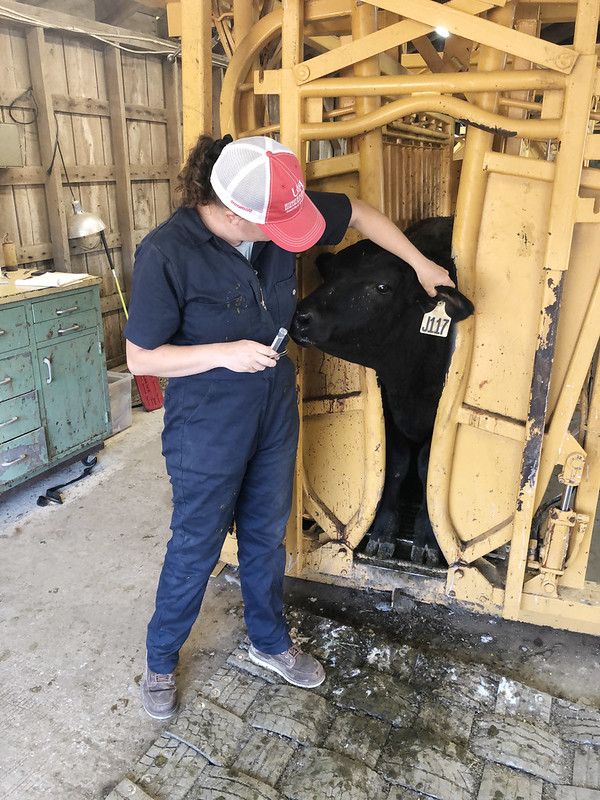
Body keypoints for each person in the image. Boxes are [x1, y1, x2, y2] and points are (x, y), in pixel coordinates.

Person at [125, 133, 455, 720]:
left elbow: (357, 214)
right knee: (196, 546)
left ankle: (268, 641)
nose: (292, 234)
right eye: (279, 225)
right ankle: (158, 660)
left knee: (265, 534)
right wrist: (223, 352)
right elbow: (141, 359)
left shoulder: (275, 212)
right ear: (234, 212)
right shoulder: (166, 254)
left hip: (273, 402)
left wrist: (422, 264)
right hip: (208, 419)